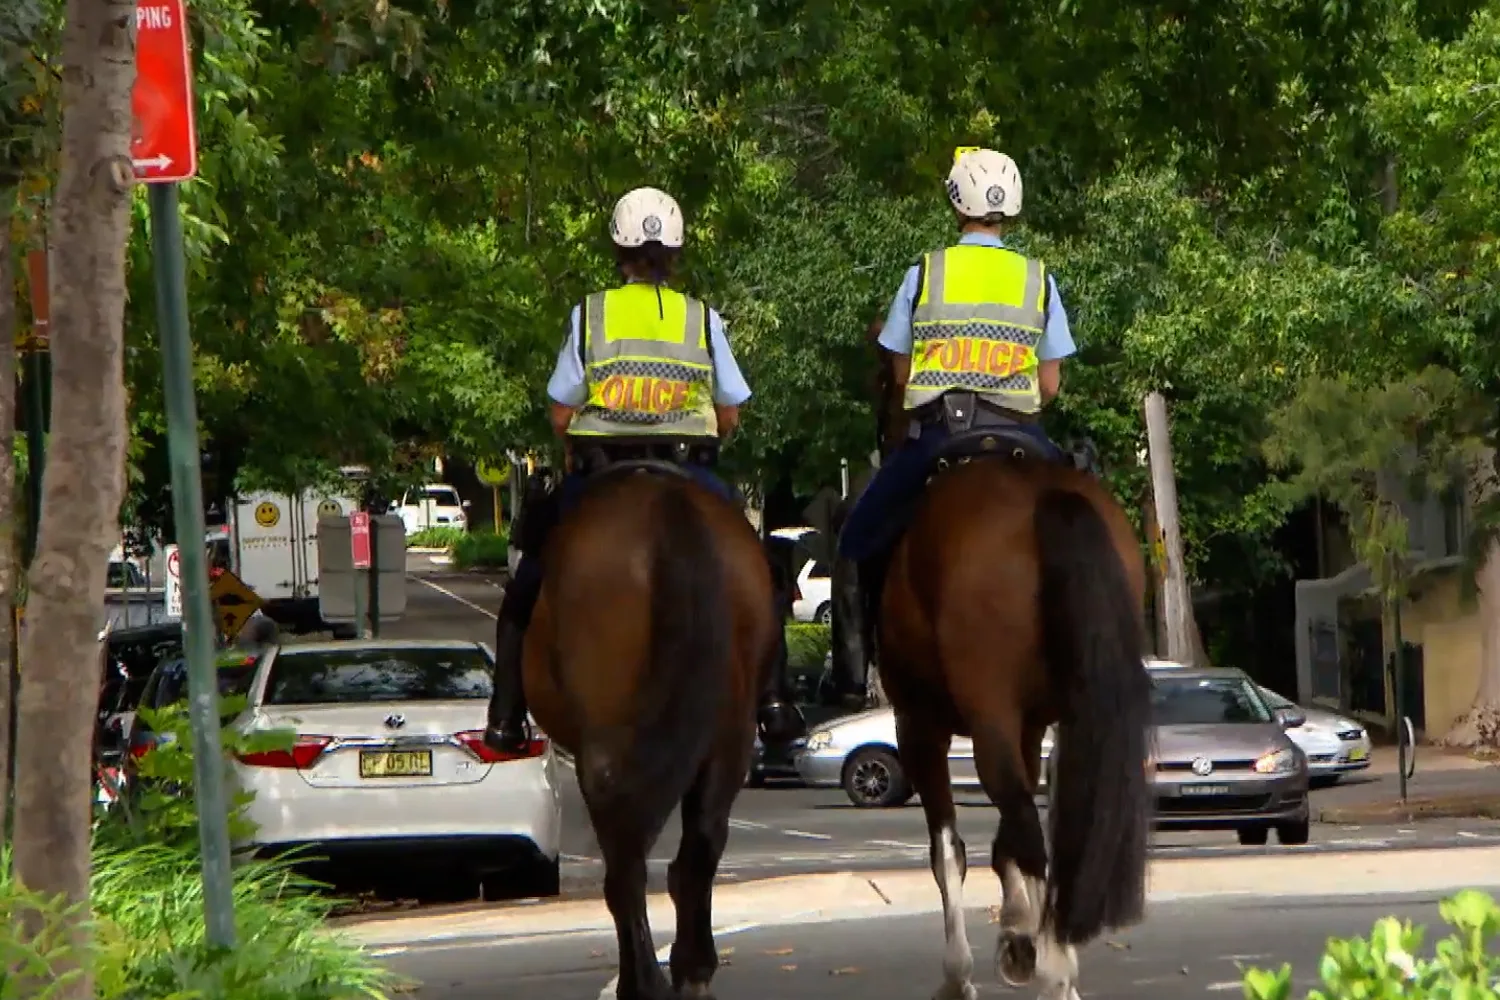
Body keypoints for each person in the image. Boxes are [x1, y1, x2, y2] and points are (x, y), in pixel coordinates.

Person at [484, 186, 799, 754]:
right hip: (689, 470)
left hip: (600, 472)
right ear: (676, 252)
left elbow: (560, 413)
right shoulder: (701, 319)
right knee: (760, 570)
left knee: (527, 585)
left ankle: (506, 715)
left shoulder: (592, 314)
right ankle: (773, 701)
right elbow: (729, 412)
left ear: (618, 249)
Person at [828, 147, 1079, 698]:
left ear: (955, 202)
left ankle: (850, 672)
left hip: (940, 436)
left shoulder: (925, 273)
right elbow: (1051, 386)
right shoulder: (1038, 279)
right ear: (1010, 205)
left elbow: (899, 372)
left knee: (856, 538)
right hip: (1021, 436)